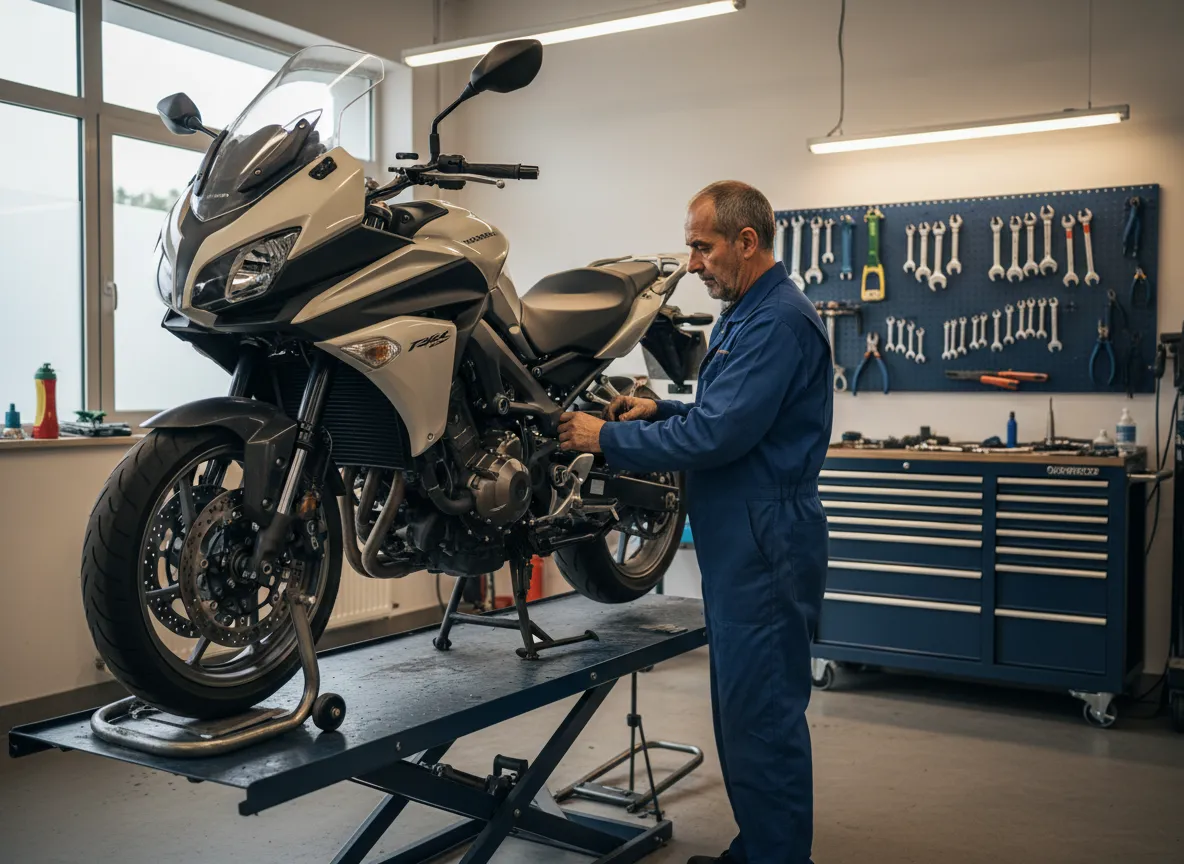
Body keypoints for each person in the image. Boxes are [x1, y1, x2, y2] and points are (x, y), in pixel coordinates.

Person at [557, 181, 833, 864]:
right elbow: (725, 419)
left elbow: (719, 439)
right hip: (744, 537)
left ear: (746, 242)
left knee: (762, 718)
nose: (690, 262)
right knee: (744, 715)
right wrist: (664, 413)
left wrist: (605, 439)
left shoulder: (777, 322)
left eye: (701, 246)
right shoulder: (749, 311)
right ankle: (759, 850)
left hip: (764, 539)